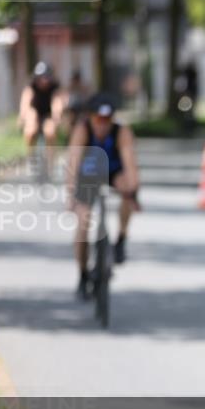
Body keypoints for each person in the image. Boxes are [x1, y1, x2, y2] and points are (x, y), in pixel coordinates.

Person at [67, 94, 141, 299]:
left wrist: (133, 192)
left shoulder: (121, 131)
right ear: (91, 117)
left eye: (108, 120)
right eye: (99, 119)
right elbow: (72, 164)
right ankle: (83, 274)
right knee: (83, 221)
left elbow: (130, 163)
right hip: (87, 175)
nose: (103, 125)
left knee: (127, 189)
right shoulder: (82, 130)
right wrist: (71, 195)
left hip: (112, 171)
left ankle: (121, 238)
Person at [19, 62, 66, 166]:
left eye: (46, 77)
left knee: (50, 132)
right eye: (41, 77)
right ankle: (30, 158)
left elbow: (57, 103)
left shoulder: (55, 87)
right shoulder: (31, 86)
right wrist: (23, 117)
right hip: (34, 115)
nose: (44, 80)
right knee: (30, 130)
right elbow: (25, 103)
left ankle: (50, 163)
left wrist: (57, 116)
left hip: (48, 115)